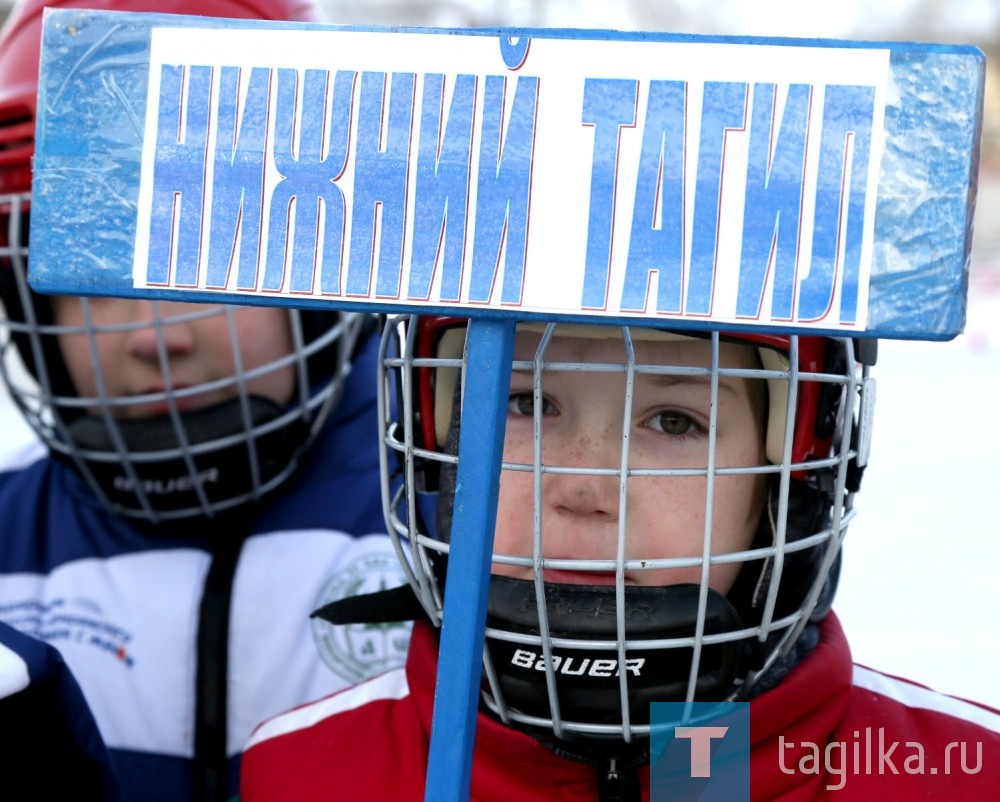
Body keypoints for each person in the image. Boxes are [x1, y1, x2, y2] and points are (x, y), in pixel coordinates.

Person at [241, 316, 1000, 800]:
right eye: (524, 403)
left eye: (674, 420)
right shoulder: (308, 772)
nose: (583, 488)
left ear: (786, 486)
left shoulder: (959, 776)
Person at [0, 1, 410, 800]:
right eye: (97, 275)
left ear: (320, 264)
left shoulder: (489, 512)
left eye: (204, 259)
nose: (156, 336)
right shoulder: (6, 538)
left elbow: (708, 751)